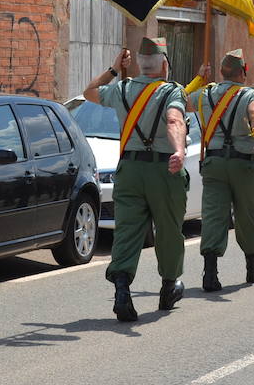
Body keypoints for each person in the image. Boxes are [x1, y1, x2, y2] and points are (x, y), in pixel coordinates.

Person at [83, 38, 188, 321]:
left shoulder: (121, 89)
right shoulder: (171, 92)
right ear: (165, 64)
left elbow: (88, 92)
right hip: (163, 171)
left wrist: (114, 69)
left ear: (141, 64)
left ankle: (121, 289)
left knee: (127, 231)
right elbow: (175, 120)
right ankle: (169, 286)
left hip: (129, 170)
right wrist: (179, 150)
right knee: (168, 230)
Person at [190, 49, 254, 292]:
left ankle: (210, 274)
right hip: (243, 163)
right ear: (243, 72)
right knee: (246, 214)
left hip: (213, 164)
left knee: (213, 216)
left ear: (222, 73)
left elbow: (179, 99)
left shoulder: (205, 94)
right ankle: (252, 264)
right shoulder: (250, 94)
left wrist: (198, 79)